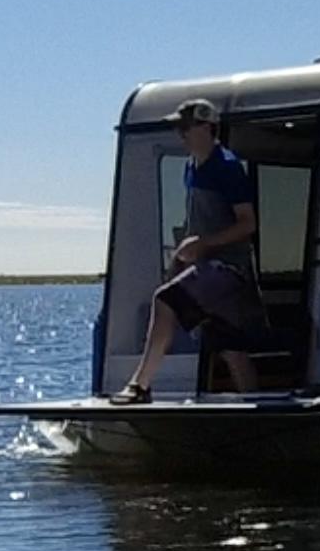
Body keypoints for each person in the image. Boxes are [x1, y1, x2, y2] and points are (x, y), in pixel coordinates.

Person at [113, 98, 263, 404]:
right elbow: (197, 225)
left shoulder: (227, 167)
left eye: (186, 127)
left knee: (165, 300)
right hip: (205, 269)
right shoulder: (190, 168)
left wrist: (203, 244)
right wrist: (181, 258)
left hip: (228, 270)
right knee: (229, 345)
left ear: (208, 127)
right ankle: (259, 406)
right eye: (177, 128)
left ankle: (140, 386)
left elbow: (248, 224)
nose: (180, 134)